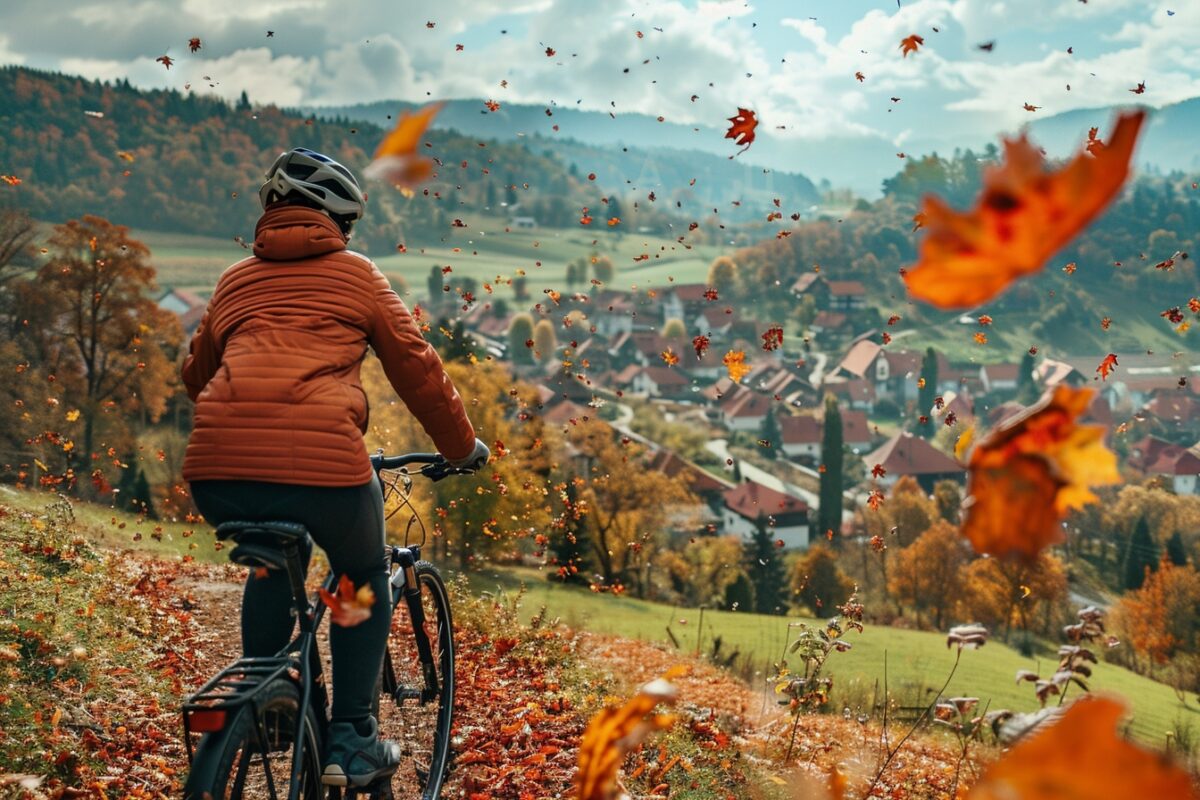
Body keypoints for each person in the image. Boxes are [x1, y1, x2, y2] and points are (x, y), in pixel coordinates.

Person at [180, 147, 489, 788]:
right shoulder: (358, 275)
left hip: (217, 472)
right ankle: (352, 734)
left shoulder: (235, 280)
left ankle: (265, 703)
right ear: (340, 223)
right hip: (323, 468)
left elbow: (196, 376)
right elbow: (418, 369)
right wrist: (460, 448)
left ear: (270, 208)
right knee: (359, 574)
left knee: (271, 560)